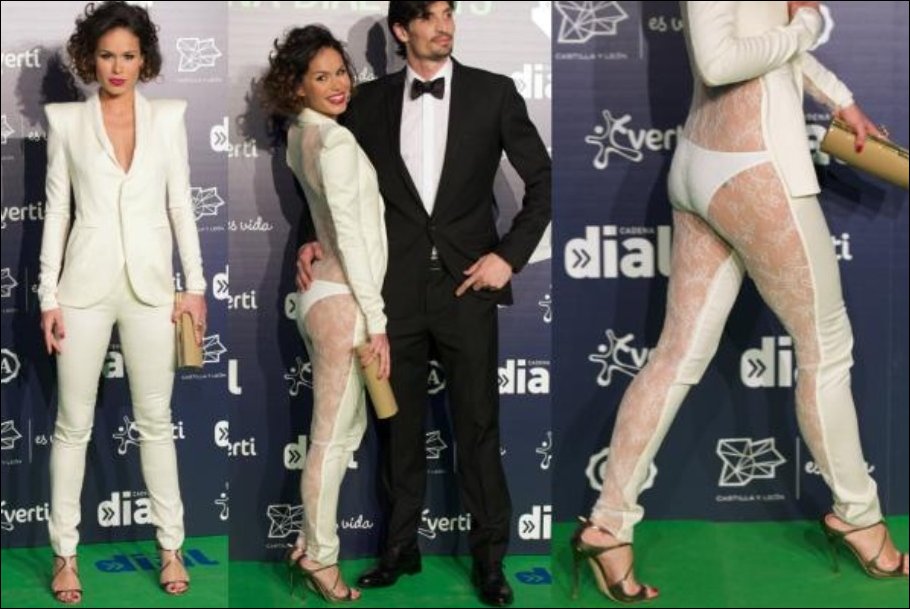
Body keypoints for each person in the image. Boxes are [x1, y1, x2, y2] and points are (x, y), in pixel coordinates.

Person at [572, 0, 909, 603]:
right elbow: (720, 62)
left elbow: (765, 43)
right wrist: (806, 24)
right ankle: (859, 519)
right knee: (825, 349)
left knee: (676, 356)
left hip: (704, 166)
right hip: (757, 172)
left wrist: (839, 97)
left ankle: (608, 525)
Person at [297, 2, 551, 605]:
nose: (445, 26)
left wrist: (508, 256)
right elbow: (331, 184)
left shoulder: (494, 93)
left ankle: (490, 562)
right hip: (392, 293)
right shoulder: (365, 102)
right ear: (401, 30)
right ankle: (399, 549)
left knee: (478, 427)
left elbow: (543, 183)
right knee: (398, 427)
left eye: (449, 13)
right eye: (430, 16)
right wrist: (313, 236)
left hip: (468, 289)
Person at [39, 1, 206, 602]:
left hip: (152, 289)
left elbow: (180, 204)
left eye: (128, 56)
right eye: (107, 55)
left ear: (144, 60)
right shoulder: (65, 122)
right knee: (72, 426)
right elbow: (58, 211)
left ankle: (171, 548)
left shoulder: (169, 118)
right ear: (90, 59)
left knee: (156, 423)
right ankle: (65, 556)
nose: (117, 67)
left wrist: (195, 286)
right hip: (82, 290)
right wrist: (48, 295)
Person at [262, 24, 391, 603]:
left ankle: (312, 544)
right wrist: (377, 322)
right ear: (298, 86)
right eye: (321, 76)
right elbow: (353, 239)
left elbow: (326, 224)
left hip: (324, 295)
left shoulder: (300, 136)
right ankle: (318, 554)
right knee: (331, 438)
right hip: (344, 302)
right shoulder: (334, 143)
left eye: (341, 71)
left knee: (340, 435)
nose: (338, 84)